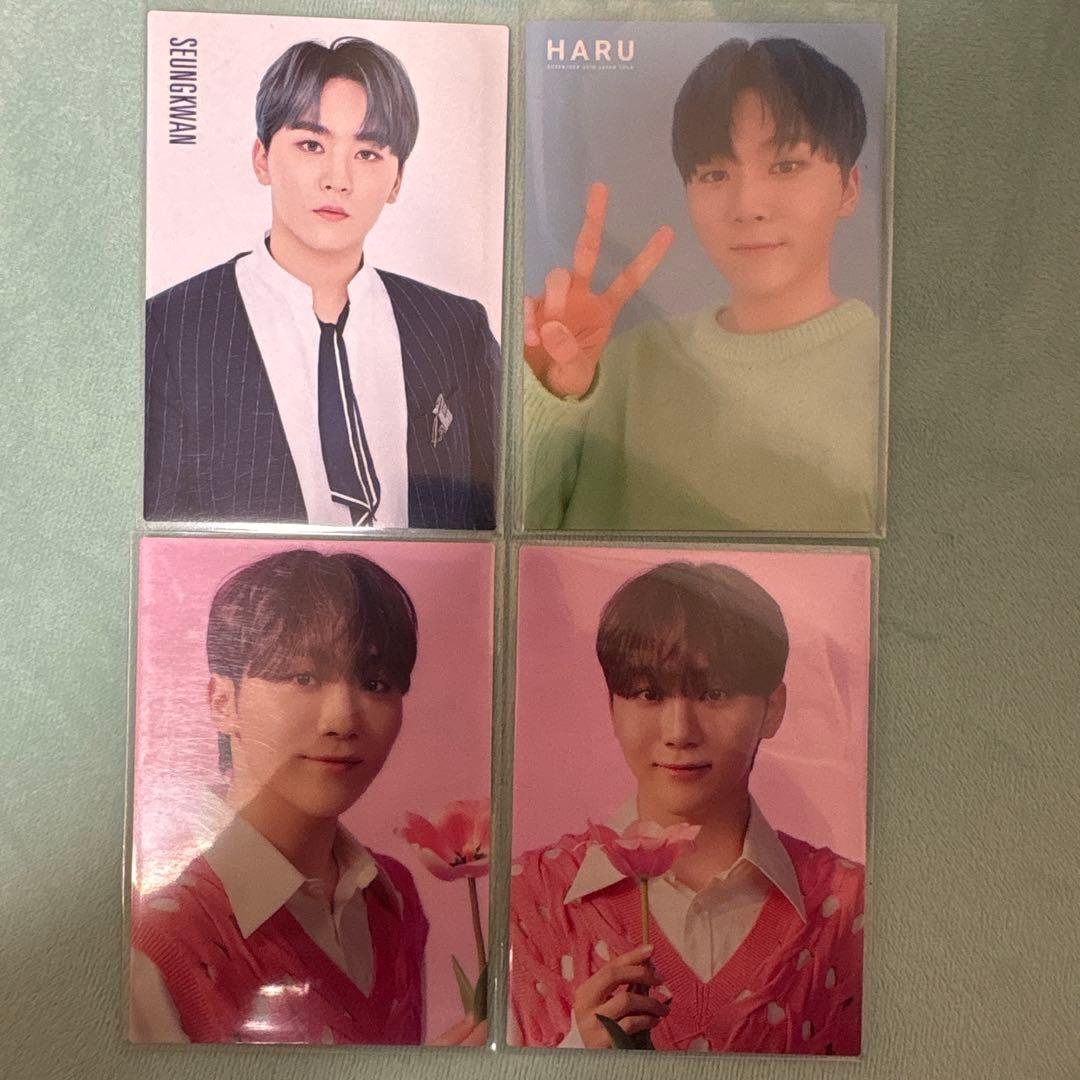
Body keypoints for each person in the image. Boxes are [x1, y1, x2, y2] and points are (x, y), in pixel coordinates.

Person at [524, 36, 881, 533]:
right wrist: (547, 395)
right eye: (715, 174)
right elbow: (528, 553)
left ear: (849, 188)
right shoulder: (624, 365)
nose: (748, 206)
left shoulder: (889, 372)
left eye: (785, 166)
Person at [130, 549, 485, 1045]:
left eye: (375, 683)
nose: (342, 720)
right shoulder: (156, 939)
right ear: (222, 701)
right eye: (303, 678)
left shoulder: (392, 896)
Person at [509, 562, 865, 1054]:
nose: (679, 732)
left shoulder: (850, 904)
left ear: (773, 709)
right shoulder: (532, 896)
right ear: (612, 705)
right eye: (649, 694)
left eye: (713, 693)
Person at [145, 37, 500, 529]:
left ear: (397, 180)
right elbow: (156, 544)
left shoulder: (456, 330)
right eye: (312, 145)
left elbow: (497, 518)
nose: (338, 179)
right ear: (262, 158)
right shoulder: (169, 329)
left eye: (368, 153)